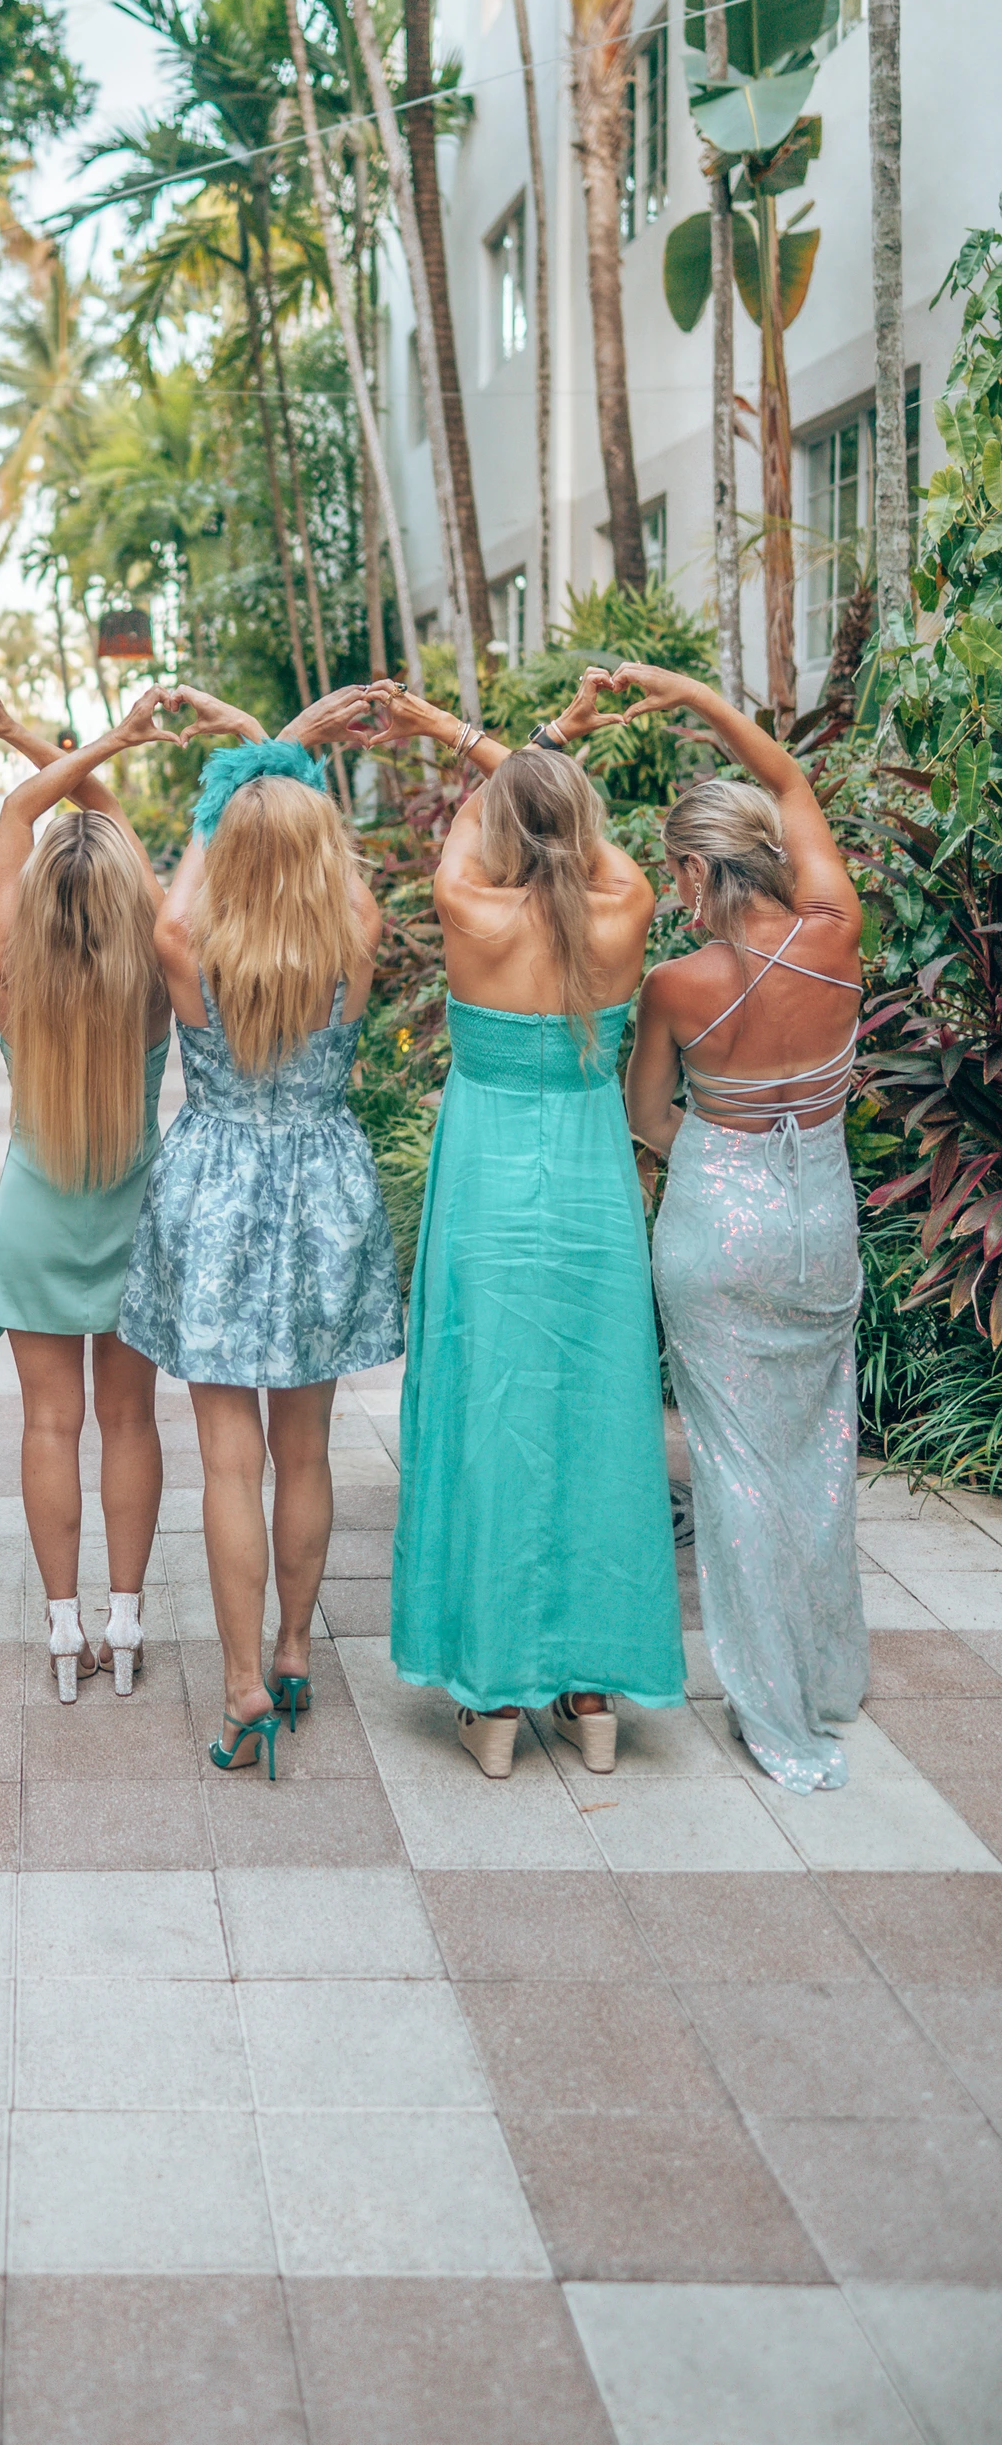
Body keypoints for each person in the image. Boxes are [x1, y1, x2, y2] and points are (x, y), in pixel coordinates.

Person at [361, 673, 685, 1778]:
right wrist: (548, 752)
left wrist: (454, 732)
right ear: (586, 828)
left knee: (487, 1405)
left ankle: (496, 1702)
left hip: (490, 1180)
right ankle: (593, 1699)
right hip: (592, 1178)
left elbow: (481, 819)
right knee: (596, 1410)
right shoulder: (628, 905)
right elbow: (572, 833)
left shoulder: (468, 903)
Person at [120, 689, 402, 1780]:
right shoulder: (355, 940)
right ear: (325, 846)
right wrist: (295, 754)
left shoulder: (191, 948)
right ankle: (292, 1648)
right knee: (305, 1448)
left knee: (227, 1459)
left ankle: (241, 1685)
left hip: (218, 1186)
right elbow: (336, 870)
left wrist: (231, 783)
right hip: (324, 1181)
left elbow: (184, 887)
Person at [618, 662, 869, 1792]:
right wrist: (693, 695)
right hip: (820, 1222)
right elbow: (787, 772)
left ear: (696, 867)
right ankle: (819, 1683)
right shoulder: (837, 933)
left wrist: (722, 1157)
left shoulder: (677, 982)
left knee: (735, 1472)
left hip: (716, 1229)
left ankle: (769, 1706)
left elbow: (646, 1116)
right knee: (818, 1452)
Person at [0, 674, 180, 1702]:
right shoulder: (155, 971)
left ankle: (63, 1635)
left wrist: (39, 741)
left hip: (35, 1222)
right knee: (129, 1422)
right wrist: (115, 745)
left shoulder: (9, 971)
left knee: (48, 1424)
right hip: (137, 1219)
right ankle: (127, 1625)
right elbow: (114, 840)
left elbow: (19, 810)